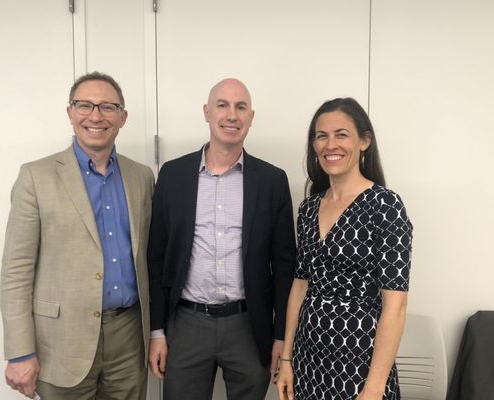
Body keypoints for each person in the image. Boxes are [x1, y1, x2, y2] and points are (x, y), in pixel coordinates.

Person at [0, 71, 154, 399]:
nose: (96, 116)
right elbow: (16, 272)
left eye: (108, 107)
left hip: (127, 338)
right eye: (85, 105)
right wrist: (19, 352)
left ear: (123, 117)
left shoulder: (141, 177)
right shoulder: (35, 177)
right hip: (60, 341)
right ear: (70, 113)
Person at [147, 78, 296, 400]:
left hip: (249, 325)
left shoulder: (272, 181)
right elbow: (156, 257)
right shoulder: (173, 176)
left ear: (251, 116)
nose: (232, 115)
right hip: (186, 324)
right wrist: (157, 331)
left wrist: (282, 337)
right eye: (223, 105)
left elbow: (285, 267)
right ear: (207, 112)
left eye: (241, 107)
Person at [277, 98, 413, 400]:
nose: (330, 144)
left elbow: (396, 306)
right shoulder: (309, 208)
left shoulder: (385, 206)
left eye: (342, 134)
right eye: (321, 135)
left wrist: (375, 388)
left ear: (365, 141)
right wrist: (287, 359)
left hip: (360, 364)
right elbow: (300, 287)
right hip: (308, 359)